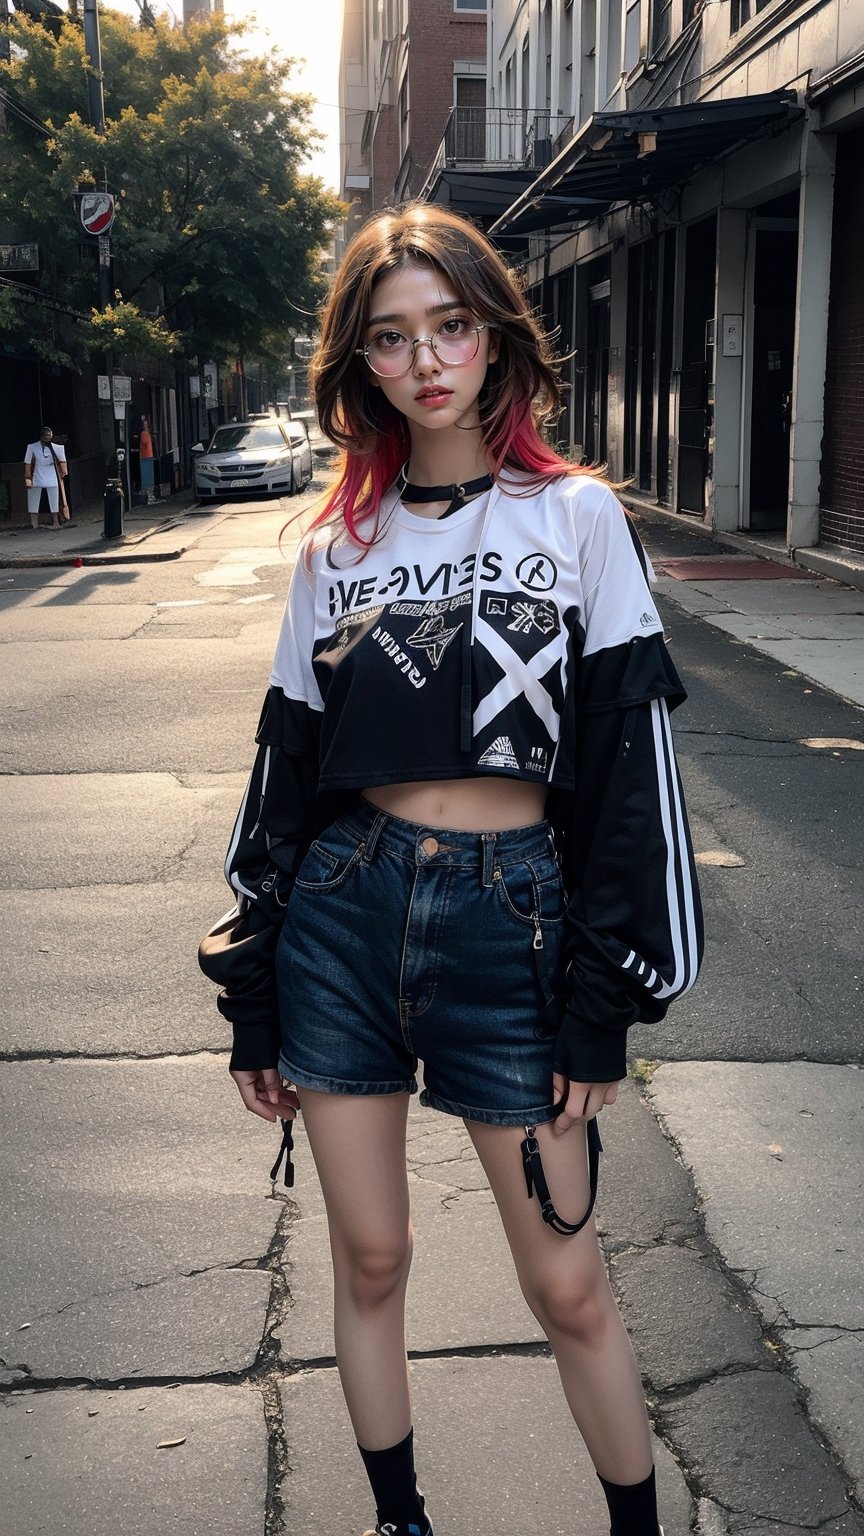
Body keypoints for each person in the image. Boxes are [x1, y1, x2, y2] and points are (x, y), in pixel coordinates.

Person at [201, 203, 703, 1536]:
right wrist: (251, 985)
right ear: (359, 364)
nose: (427, 362)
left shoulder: (578, 518)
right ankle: (399, 1521)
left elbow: (631, 776)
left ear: (494, 337)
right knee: (370, 1257)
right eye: (391, 338)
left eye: (452, 327)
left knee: (570, 1287)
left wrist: (607, 997)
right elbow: (283, 784)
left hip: (514, 926)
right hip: (342, 921)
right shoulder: (334, 549)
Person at [24, 426, 68, 529]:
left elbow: (62, 460)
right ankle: (34, 524)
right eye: (46, 435)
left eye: (49, 435)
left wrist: (63, 472)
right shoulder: (32, 447)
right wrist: (28, 478)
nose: (47, 437)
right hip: (36, 475)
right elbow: (28, 463)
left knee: (54, 499)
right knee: (33, 499)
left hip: (52, 475)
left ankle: (56, 522)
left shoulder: (55, 448)